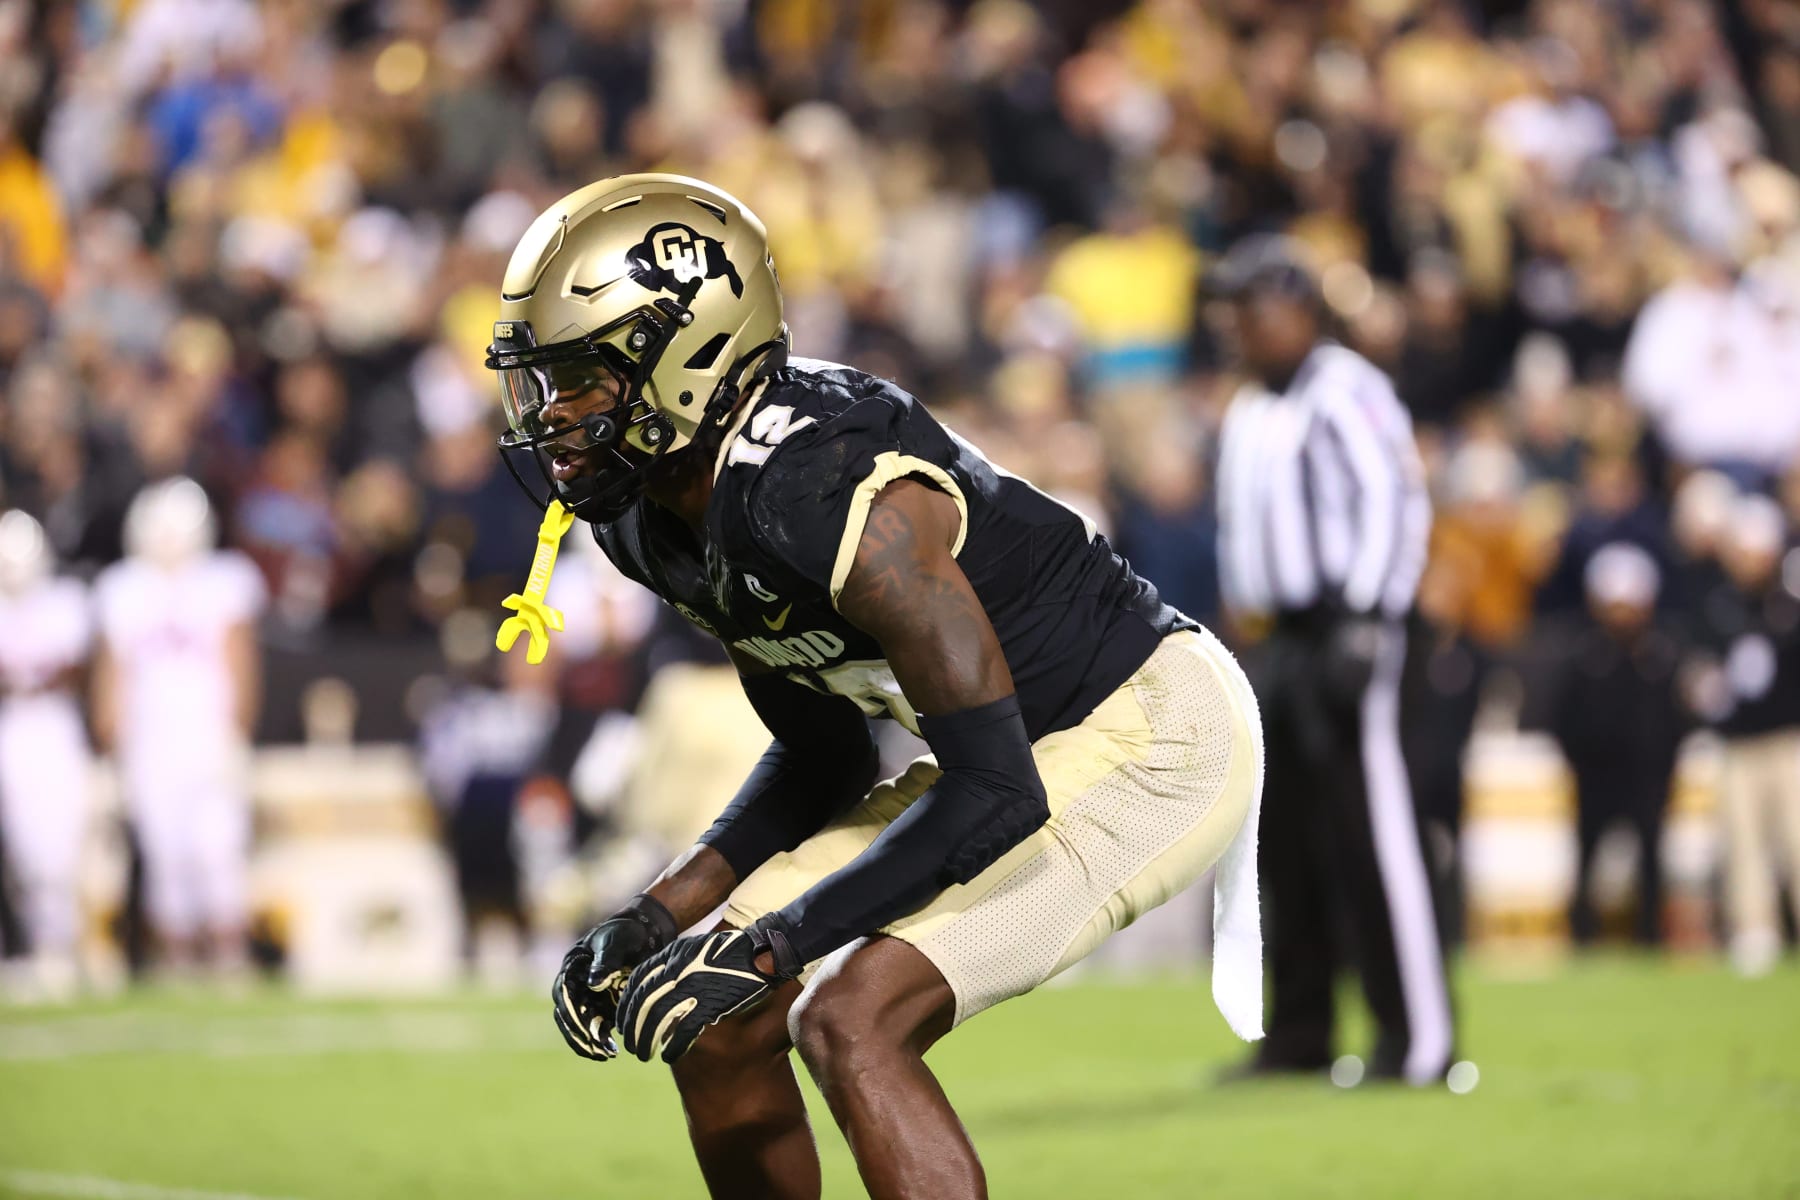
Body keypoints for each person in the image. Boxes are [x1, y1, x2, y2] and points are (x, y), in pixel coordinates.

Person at [488, 174, 1264, 1200]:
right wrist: (656, 914)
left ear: (688, 355)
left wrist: (778, 946)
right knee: (715, 1022)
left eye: (583, 377)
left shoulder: (824, 484)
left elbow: (998, 793)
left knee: (850, 1019)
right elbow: (824, 752)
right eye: (543, 383)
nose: (556, 415)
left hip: (1150, 730)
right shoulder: (650, 514)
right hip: (1005, 754)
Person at [1208, 235, 1453, 1085]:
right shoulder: (1250, 406)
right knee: (1285, 842)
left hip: (1351, 627)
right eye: (1234, 311)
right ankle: (1301, 1033)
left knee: (1372, 832)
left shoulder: (1347, 389)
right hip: (1278, 638)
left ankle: (1418, 1038)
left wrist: (1371, 616)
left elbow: (1394, 500)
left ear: (1302, 308)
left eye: (1256, 308)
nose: (1242, 326)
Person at [93, 478, 265, 978]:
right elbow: (113, 672)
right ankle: (179, 959)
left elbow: (240, 661)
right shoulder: (123, 587)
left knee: (218, 847)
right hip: (150, 740)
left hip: (207, 734)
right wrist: (110, 738)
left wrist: (237, 733)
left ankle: (230, 956)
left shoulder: (225, 580)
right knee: (165, 852)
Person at [1544, 543, 1688, 946]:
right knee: (1587, 855)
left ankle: (1650, 937)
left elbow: (1678, 718)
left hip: (1647, 776)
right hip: (1596, 775)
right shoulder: (1584, 655)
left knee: (1651, 859)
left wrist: (1664, 765)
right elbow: (1562, 717)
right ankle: (1581, 936)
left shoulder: (1661, 653)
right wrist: (1578, 760)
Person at [1690, 495, 1800, 976]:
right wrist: (1704, 689)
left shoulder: (1791, 606)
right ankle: (1755, 929)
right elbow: (1698, 671)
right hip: (1738, 743)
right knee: (1744, 841)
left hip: (1789, 740)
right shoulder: (1719, 606)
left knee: (1797, 839)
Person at [0, 510, 93, 999]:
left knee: (54, 847)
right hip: (10, 729)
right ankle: (21, 949)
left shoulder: (65, 602)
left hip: (52, 730)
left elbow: (71, 669)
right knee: (16, 851)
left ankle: (56, 946)